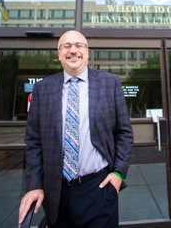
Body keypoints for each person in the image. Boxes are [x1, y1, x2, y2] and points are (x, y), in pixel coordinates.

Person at [18, 30, 133, 228]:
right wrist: (34, 185)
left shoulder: (110, 83)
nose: (73, 51)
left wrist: (119, 173)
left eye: (79, 45)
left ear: (87, 52)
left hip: (99, 187)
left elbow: (124, 133)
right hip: (56, 191)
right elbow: (34, 142)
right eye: (66, 46)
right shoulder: (42, 89)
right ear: (59, 54)